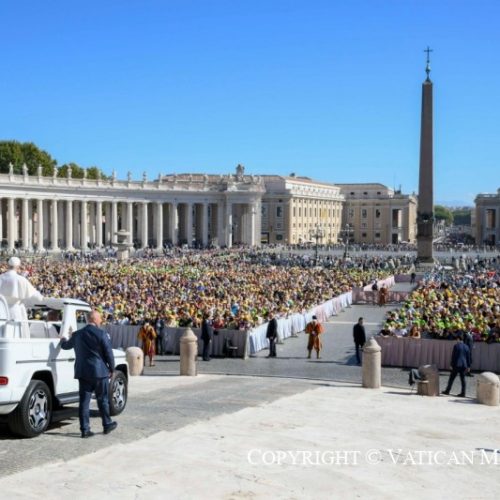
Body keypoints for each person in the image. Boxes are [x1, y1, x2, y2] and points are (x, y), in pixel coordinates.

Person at [59, 310, 117, 438]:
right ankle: (107, 424)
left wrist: (62, 340)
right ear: (94, 319)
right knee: (103, 400)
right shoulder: (101, 334)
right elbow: (109, 353)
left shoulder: (77, 334)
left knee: (84, 402)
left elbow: (66, 346)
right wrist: (112, 369)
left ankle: (85, 430)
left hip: (83, 372)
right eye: (100, 318)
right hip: (99, 372)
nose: (101, 320)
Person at [0, 257, 43, 337]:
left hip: (1, 311)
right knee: (15, 334)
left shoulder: (1, 277)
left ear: (8, 265)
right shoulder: (20, 279)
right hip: (14, 311)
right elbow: (36, 296)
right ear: (18, 266)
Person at [442, 333, 471, 398]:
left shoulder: (456, 346)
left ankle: (447, 391)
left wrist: (451, 364)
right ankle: (463, 393)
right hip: (464, 365)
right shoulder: (467, 347)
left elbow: (454, 356)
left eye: (456, 339)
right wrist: (469, 366)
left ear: (458, 339)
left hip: (457, 364)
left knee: (451, 378)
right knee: (463, 379)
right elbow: (468, 357)